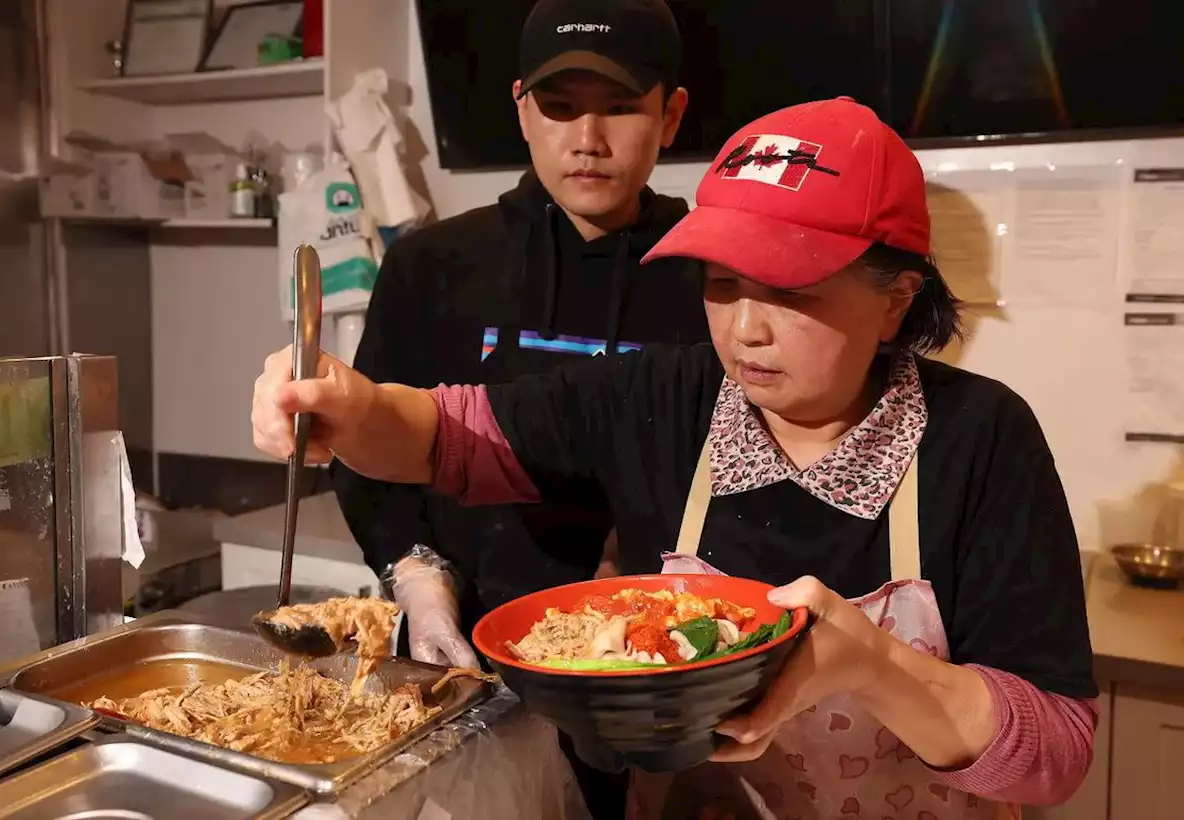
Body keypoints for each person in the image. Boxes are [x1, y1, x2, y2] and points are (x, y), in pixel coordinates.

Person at [254, 98, 1098, 818]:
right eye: (722, 283)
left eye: (791, 290)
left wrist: (874, 667)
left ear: (895, 301)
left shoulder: (980, 437)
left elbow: (1056, 751)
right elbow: (450, 435)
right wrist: (350, 405)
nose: (744, 329)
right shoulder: (670, 396)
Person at [335, 0, 703, 671]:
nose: (588, 137)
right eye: (560, 105)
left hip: (649, 658)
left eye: (620, 106)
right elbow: (369, 459)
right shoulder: (434, 264)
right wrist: (419, 581)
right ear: (523, 109)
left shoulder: (710, 281)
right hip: (460, 654)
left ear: (670, 115)